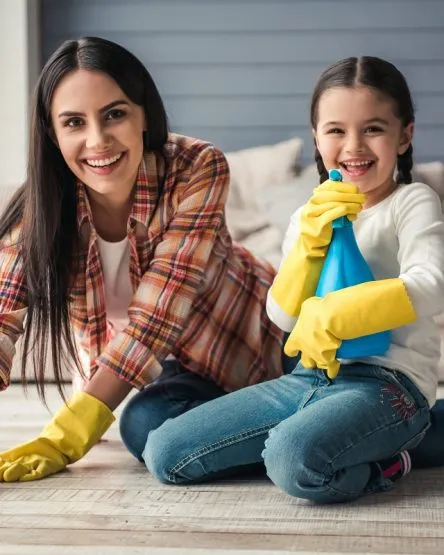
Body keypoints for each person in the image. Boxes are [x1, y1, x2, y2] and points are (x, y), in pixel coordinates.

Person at [133, 56, 444, 503]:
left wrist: (336, 313)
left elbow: (432, 282)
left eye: (373, 128)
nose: (353, 146)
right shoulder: (307, 216)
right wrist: (307, 247)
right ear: (317, 138)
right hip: (307, 378)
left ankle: (390, 458)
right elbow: (282, 314)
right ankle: (328, 441)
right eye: (336, 130)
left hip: (389, 386)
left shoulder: (411, 202)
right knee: (164, 452)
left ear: (405, 135)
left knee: (291, 459)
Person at [0, 36, 294, 482]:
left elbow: (158, 314)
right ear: (53, 134)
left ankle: (328, 420)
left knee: (155, 428)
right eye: (74, 122)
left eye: (114, 114)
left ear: (143, 115)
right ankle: (310, 425)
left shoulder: (197, 167)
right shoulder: (39, 211)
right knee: (145, 426)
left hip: (269, 343)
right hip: (179, 375)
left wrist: (72, 429)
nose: (97, 141)